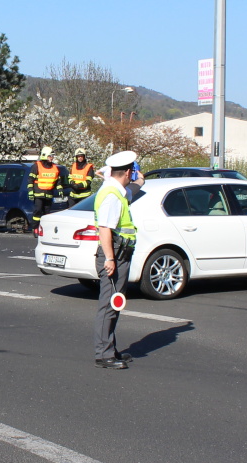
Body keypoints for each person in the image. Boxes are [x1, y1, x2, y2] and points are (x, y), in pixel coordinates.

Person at [93, 150, 143, 370]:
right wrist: (110, 260)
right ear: (129, 172)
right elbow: (105, 229)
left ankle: (110, 348)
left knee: (114, 304)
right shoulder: (112, 195)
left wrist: (138, 182)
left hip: (119, 253)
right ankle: (103, 354)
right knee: (109, 306)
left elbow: (127, 186)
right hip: (114, 254)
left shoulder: (114, 188)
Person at [27, 146, 64, 233]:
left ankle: (45, 229)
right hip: (38, 193)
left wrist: (60, 190)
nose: (52, 158)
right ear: (45, 156)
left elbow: (58, 181)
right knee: (38, 211)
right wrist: (30, 192)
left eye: (52, 156)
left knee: (47, 213)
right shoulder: (36, 166)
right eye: (50, 156)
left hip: (49, 194)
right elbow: (30, 180)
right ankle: (35, 228)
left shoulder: (55, 168)